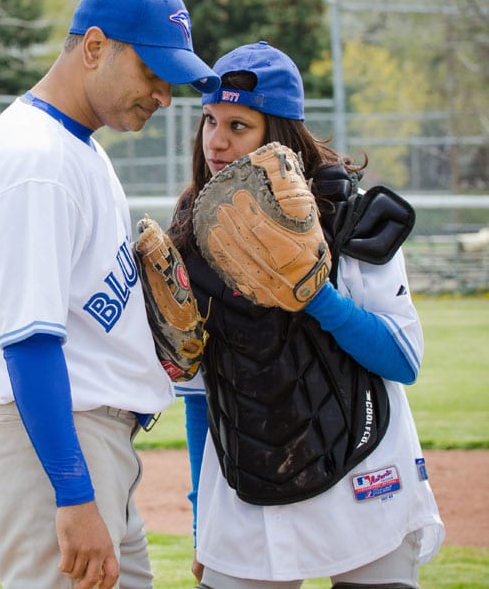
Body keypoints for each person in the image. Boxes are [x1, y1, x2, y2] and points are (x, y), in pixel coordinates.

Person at [0, 0, 220, 589]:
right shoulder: (36, 163)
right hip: (55, 444)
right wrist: (72, 493)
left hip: (81, 436)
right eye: (152, 75)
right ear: (95, 47)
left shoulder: (73, 147)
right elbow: (31, 341)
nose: (163, 96)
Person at [164, 41, 444, 587]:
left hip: (364, 469)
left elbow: (403, 359)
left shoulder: (347, 217)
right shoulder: (194, 231)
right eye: (209, 121)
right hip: (247, 480)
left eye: (239, 125)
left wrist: (316, 296)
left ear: (281, 132)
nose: (216, 142)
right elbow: (203, 399)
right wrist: (204, 523)